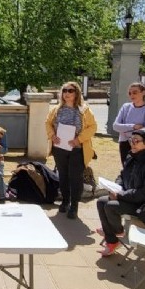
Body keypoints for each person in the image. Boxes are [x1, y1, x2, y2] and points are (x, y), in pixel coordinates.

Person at [95, 127, 145, 256]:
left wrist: (120, 195)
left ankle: (116, 232)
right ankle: (113, 239)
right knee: (101, 202)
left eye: (136, 141)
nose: (132, 143)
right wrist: (115, 187)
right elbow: (122, 175)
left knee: (110, 206)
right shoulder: (133, 156)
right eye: (131, 140)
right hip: (133, 198)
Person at [45, 81, 97, 219]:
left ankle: (74, 205)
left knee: (75, 178)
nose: (67, 93)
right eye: (65, 90)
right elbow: (48, 123)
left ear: (76, 93)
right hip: (60, 148)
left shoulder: (84, 110)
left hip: (77, 149)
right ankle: (65, 201)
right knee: (63, 176)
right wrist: (52, 136)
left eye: (70, 91)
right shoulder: (56, 109)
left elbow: (92, 127)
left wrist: (78, 140)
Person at [113, 82, 145, 164]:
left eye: (135, 92)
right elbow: (115, 126)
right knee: (126, 169)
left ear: (144, 92)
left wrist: (125, 129)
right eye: (129, 93)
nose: (131, 95)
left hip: (140, 144)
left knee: (139, 170)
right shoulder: (126, 107)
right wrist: (134, 127)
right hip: (124, 143)